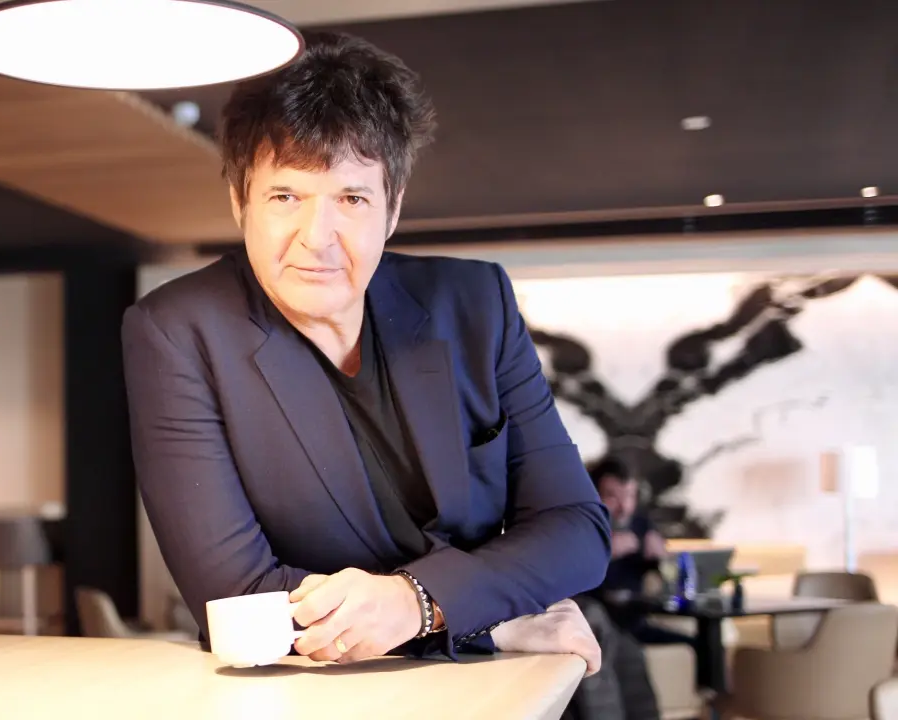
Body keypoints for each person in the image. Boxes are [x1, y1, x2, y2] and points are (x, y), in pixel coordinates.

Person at [121, 31, 611, 668]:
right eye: (285, 197)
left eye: (351, 198)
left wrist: (419, 602)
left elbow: (576, 528)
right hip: (310, 695)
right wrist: (477, 622)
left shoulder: (474, 303)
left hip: (495, 692)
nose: (317, 238)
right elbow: (235, 596)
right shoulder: (178, 331)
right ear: (240, 201)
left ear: (392, 207)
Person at [588, 457, 691, 645]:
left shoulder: (640, 524)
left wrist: (663, 557)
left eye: (629, 496)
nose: (623, 507)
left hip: (635, 622)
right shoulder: (583, 528)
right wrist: (602, 554)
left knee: (699, 644)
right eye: (612, 497)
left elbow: (669, 576)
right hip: (599, 622)